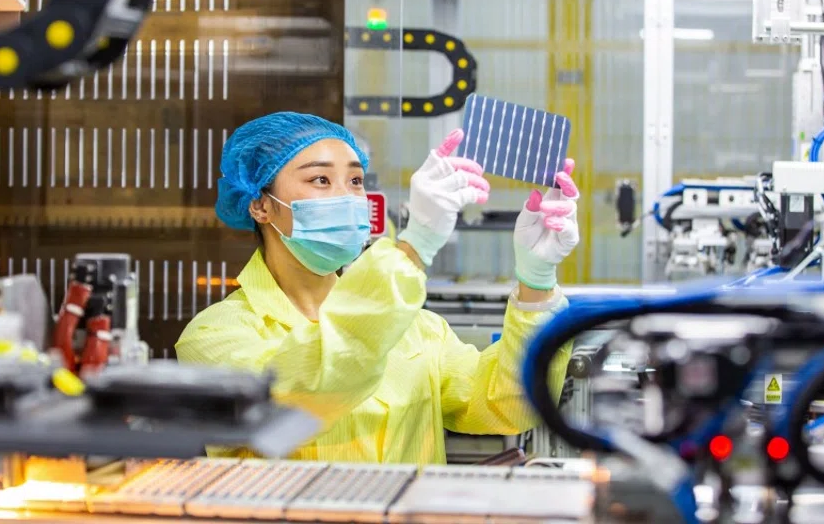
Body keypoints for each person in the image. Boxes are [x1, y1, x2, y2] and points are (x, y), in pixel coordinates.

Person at [176, 112, 579, 465]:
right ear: (260, 205)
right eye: (320, 179)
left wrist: (536, 281)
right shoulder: (215, 337)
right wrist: (413, 246)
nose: (347, 196)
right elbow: (313, 387)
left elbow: (506, 404)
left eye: (354, 180)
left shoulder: (416, 328)